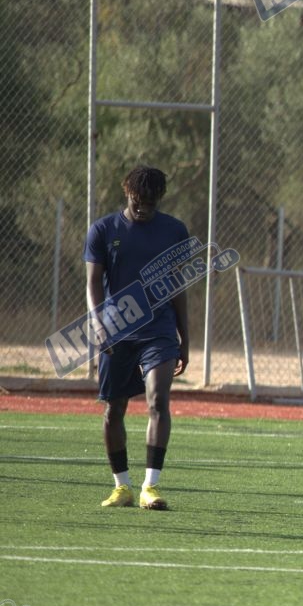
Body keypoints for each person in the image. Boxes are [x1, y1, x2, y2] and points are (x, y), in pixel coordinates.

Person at [88, 165, 192, 510]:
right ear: (127, 193)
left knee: (158, 400)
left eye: (150, 202)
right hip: (116, 332)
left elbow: (178, 288)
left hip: (159, 332)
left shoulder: (174, 231)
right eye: (137, 201)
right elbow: (92, 283)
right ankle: (122, 487)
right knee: (113, 408)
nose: (143, 207)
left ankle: (151, 486)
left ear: (159, 198)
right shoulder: (103, 230)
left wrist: (185, 339)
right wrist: (98, 324)